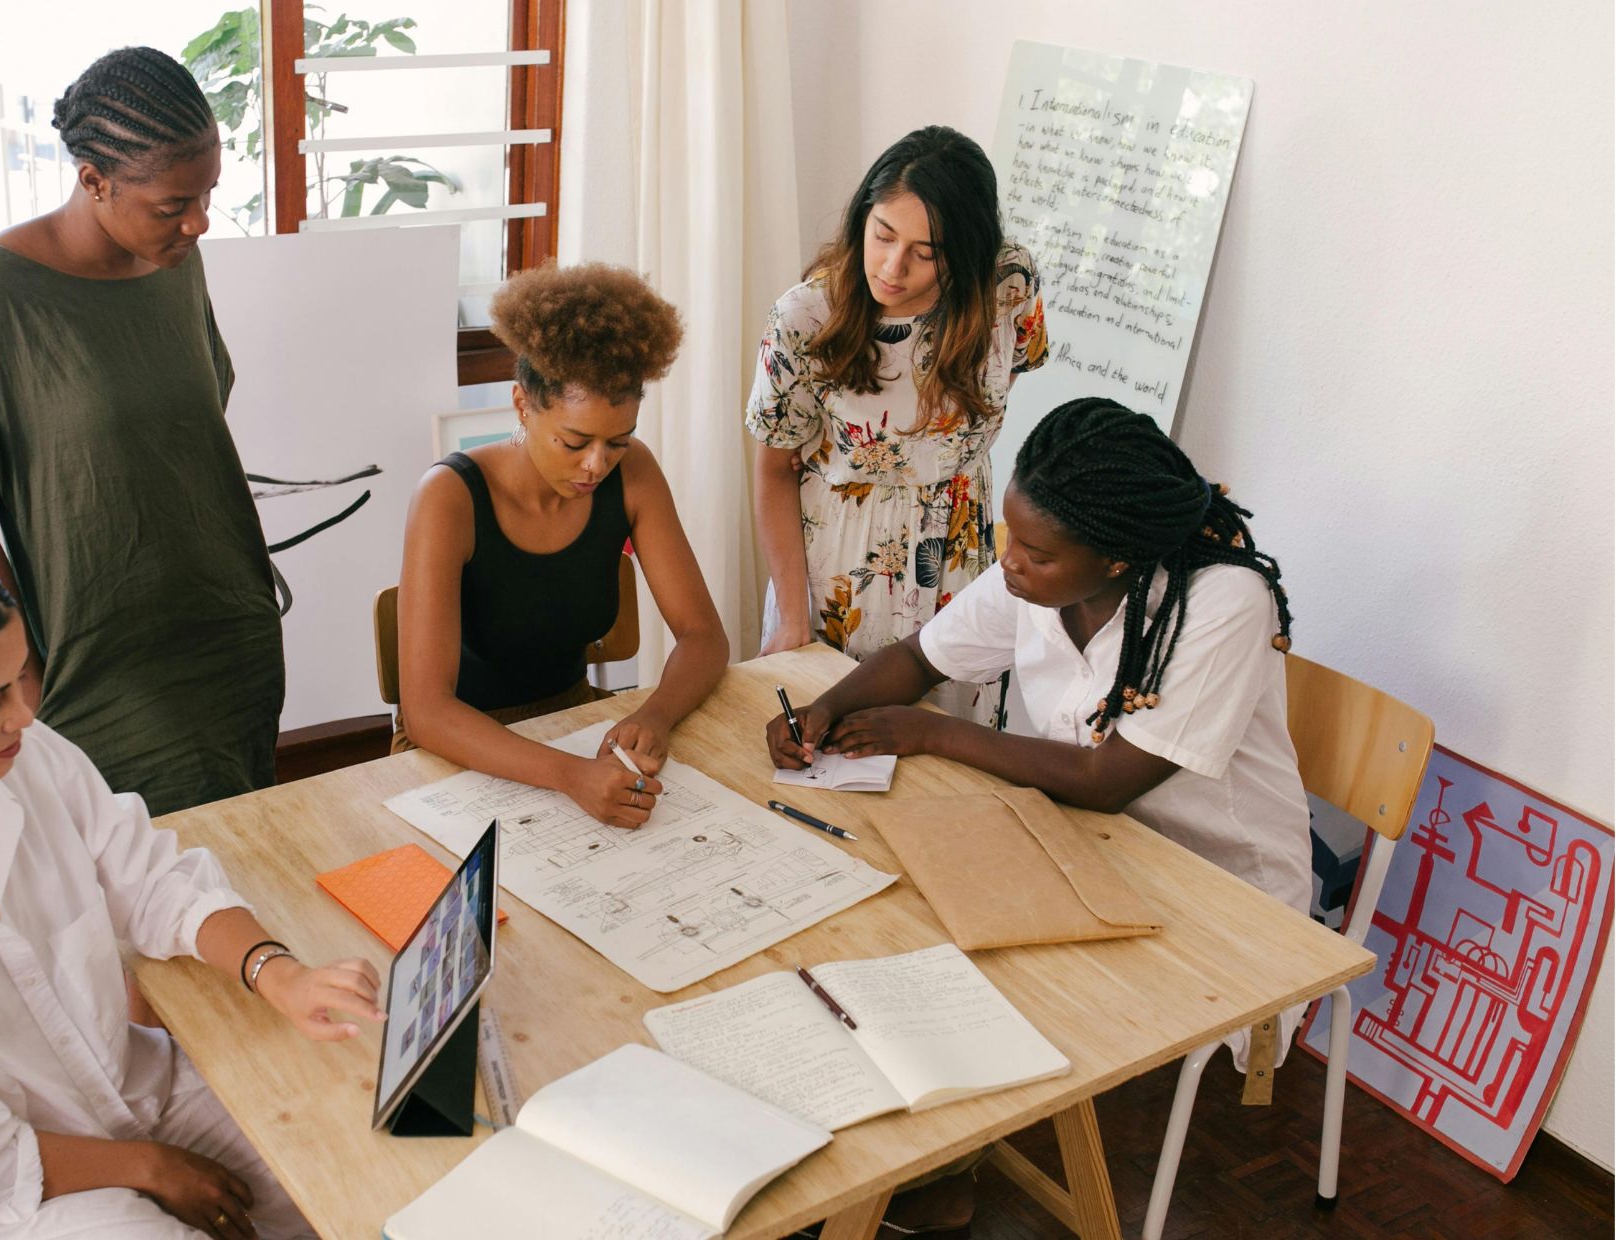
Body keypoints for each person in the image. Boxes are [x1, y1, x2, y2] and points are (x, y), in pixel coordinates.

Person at [769, 397, 1310, 1235]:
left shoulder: (1222, 603)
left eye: (1035, 553)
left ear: (1119, 557)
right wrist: (823, 709)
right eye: (1008, 538)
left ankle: (927, 1169)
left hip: (1210, 888)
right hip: (1070, 836)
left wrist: (931, 734)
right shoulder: (1040, 570)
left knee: (955, 965)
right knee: (884, 916)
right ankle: (918, 1163)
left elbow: (1106, 778)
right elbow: (920, 658)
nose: (1009, 563)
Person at [0, 540, 383, 1238]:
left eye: (20, 678)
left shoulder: (25, 757)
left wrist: (279, 974)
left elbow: (149, 876)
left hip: (133, 1091)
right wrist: (150, 1168)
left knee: (356, 1162)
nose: (24, 716)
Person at [0, 47, 283, 818]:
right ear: (94, 180)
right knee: (133, 887)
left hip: (229, 633)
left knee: (243, 863)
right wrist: (20, 676)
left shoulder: (177, 261)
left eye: (209, 193)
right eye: (171, 204)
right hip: (98, 664)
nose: (198, 221)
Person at [396, 263, 729, 829]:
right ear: (523, 405)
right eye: (575, 442)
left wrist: (656, 714)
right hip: (458, 749)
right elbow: (427, 713)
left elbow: (703, 637)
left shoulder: (634, 474)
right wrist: (571, 776)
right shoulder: (450, 496)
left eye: (617, 443)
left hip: (573, 725)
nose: (596, 465)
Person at [748, 125, 1048, 725]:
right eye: (882, 234)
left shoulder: (1007, 284)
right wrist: (792, 616)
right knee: (830, 747)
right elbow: (774, 470)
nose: (891, 266)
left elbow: (998, 389)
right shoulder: (807, 317)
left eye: (926, 251)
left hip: (962, 555)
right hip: (842, 566)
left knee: (954, 758)